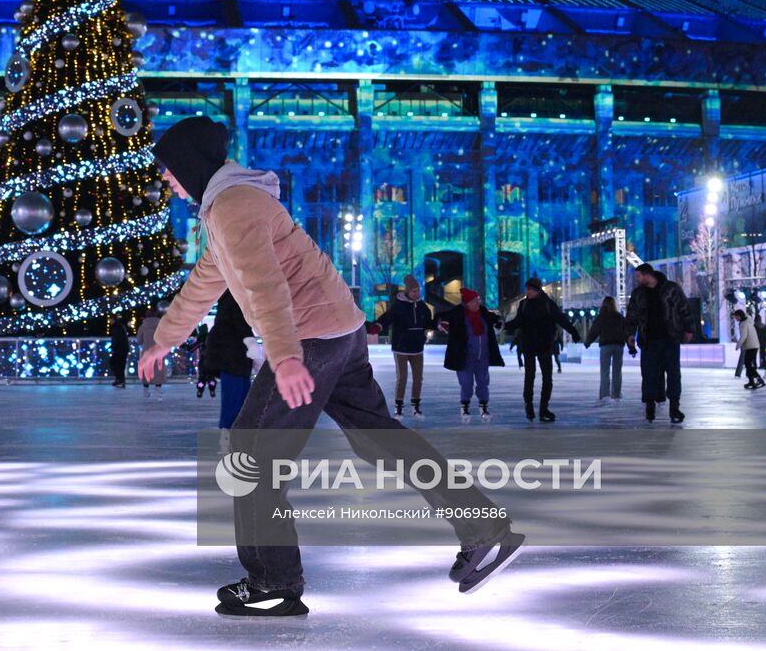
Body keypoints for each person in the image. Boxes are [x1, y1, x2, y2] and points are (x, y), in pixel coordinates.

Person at [139, 117, 522, 616]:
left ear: (190, 163)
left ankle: (272, 581)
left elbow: (266, 287)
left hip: (311, 338)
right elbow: (207, 280)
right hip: (338, 331)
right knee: (381, 438)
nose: (166, 179)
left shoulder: (234, 207)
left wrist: (286, 357)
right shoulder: (226, 209)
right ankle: (485, 528)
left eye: (169, 169)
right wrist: (164, 340)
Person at [504, 277, 579, 422]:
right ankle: (529, 406)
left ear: (537, 290)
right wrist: (504, 325)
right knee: (529, 377)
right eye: (527, 289)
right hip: (529, 345)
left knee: (547, 379)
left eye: (530, 289)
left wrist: (573, 331)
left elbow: (560, 318)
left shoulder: (547, 304)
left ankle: (543, 408)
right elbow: (518, 321)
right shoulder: (524, 304)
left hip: (544, 346)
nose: (528, 292)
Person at [623, 264, 692, 423]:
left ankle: (674, 407)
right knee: (649, 374)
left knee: (673, 374)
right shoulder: (638, 294)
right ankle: (650, 405)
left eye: (638, 276)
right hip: (648, 341)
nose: (637, 279)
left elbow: (684, 309)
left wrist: (689, 329)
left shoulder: (671, 289)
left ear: (647, 275)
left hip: (670, 338)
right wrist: (630, 335)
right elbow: (631, 316)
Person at [375, 274, 434, 417]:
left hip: (417, 347)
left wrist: (439, 324)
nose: (417, 293)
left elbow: (428, 321)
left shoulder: (421, 305)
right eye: (414, 291)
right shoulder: (399, 305)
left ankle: (415, 407)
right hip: (401, 347)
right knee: (402, 378)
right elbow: (388, 317)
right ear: (408, 291)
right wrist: (378, 325)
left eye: (418, 291)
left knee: (418, 378)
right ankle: (399, 407)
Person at [441, 288, 503, 420]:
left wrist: (499, 320)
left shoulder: (483, 313)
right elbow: (441, 317)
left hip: (483, 356)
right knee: (466, 383)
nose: (477, 303)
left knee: (483, 382)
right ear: (467, 303)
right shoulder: (458, 313)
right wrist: (441, 324)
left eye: (478, 301)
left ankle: (484, 406)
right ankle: (465, 407)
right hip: (465, 357)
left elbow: (495, 318)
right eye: (474, 301)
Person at [206, 291, 255, 429]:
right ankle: (229, 434)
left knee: (241, 399)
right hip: (231, 357)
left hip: (237, 358)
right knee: (235, 400)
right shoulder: (234, 296)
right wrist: (250, 340)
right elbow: (239, 320)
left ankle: (235, 433)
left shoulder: (235, 296)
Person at [585, 296, 635, 402]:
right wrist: (631, 347)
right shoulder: (620, 317)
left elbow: (594, 331)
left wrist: (588, 342)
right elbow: (627, 332)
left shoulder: (601, 317)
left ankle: (605, 395)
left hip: (605, 346)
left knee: (605, 371)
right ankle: (616, 394)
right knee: (617, 371)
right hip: (618, 346)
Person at [137, 309, 166, 400]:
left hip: (146, 352)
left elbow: (139, 341)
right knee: (158, 371)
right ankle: (159, 392)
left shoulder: (142, 327)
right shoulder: (161, 326)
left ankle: (145, 391)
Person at [732, 309, 765, 390]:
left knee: (748, 364)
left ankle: (758, 379)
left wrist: (738, 345)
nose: (735, 319)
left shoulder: (744, 324)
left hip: (750, 346)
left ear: (739, 316)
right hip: (753, 345)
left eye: (736, 317)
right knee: (748, 364)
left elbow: (744, 336)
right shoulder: (748, 321)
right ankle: (752, 381)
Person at [108, 316, 131, 388]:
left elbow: (116, 339)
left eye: (110, 320)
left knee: (113, 363)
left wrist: (113, 348)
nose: (110, 321)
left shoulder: (116, 327)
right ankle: (121, 380)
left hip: (120, 349)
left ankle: (119, 379)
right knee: (121, 365)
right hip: (123, 348)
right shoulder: (120, 326)